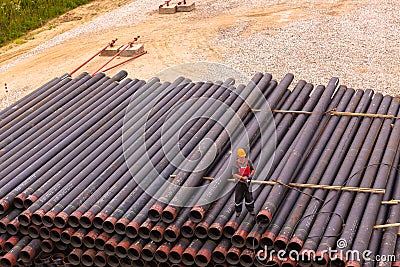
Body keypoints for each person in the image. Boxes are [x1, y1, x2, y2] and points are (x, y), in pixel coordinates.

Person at [232, 148, 255, 217]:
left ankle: (251, 210)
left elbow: (253, 170)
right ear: (238, 156)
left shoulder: (248, 162)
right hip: (240, 183)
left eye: (243, 156)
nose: (242, 158)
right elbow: (234, 174)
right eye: (241, 157)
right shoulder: (235, 164)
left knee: (249, 197)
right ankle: (238, 211)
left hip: (248, 182)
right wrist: (242, 178)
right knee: (238, 197)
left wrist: (250, 175)